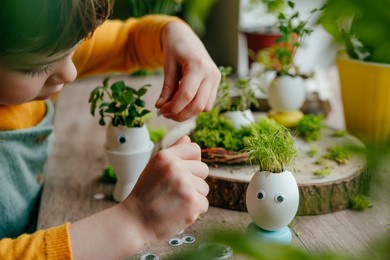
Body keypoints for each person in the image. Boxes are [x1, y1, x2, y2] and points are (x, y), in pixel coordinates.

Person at [0, 0, 221, 259]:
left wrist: (173, 34)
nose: (71, 73)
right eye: (36, 68)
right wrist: (132, 222)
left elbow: (128, 40)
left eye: (74, 48)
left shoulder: (34, 41)